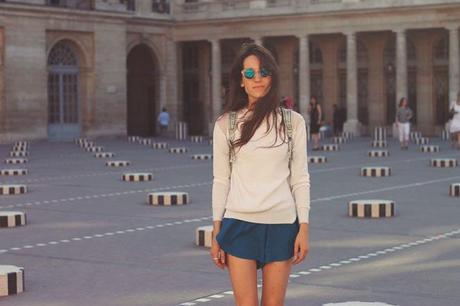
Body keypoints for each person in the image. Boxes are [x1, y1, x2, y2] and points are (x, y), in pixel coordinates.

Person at [211, 43, 311, 306]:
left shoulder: (293, 123)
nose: (257, 79)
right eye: (250, 73)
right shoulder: (226, 125)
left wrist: (303, 227)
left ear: (273, 77)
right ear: (241, 80)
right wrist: (216, 230)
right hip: (239, 223)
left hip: (281, 224)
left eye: (263, 72)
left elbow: (300, 178)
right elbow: (221, 180)